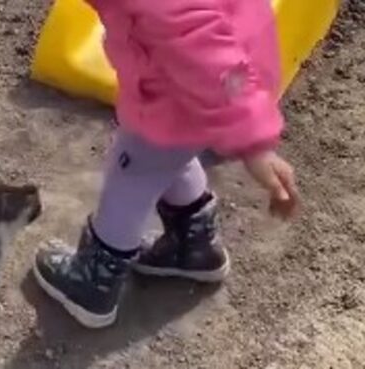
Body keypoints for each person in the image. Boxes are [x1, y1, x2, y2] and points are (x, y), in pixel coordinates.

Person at [32, 0, 301, 329]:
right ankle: (193, 245)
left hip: (179, 95)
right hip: (202, 90)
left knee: (130, 175)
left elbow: (209, 60)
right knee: (171, 158)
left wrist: (254, 145)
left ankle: (93, 283)